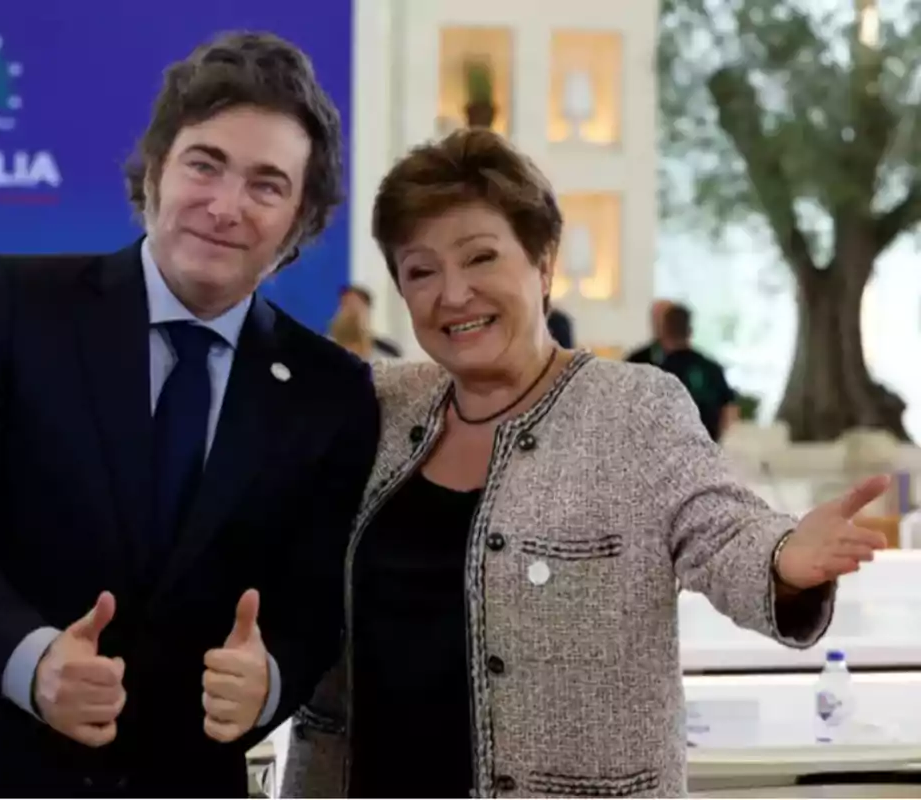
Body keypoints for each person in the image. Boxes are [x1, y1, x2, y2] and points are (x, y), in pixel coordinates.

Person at [0, 32, 380, 798]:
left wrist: (267, 683)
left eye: (268, 185)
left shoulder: (330, 392)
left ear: (299, 221)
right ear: (157, 171)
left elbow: (313, 604)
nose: (226, 206)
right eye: (205, 164)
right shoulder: (5, 306)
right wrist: (29, 660)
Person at [282, 129, 889, 799]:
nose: (453, 294)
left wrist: (781, 558)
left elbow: (719, 527)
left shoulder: (633, 408)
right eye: (421, 270)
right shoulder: (381, 404)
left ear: (543, 263)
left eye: (480, 257)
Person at [656, 303, 738, 442]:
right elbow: (730, 409)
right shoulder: (711, 367)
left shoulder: (657, 372)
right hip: (706, 449)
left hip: (668, 451)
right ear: (690, 331)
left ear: (663, 331)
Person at [328, 285, 403, 360]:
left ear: (367, 311)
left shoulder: (388, 354)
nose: (349, 312)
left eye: (355, 305)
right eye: (345, 304)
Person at [625, 298, 673, 365]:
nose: (658, 323)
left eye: (662, 318)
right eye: (656, 318)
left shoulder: (687, 359)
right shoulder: (637, 359)